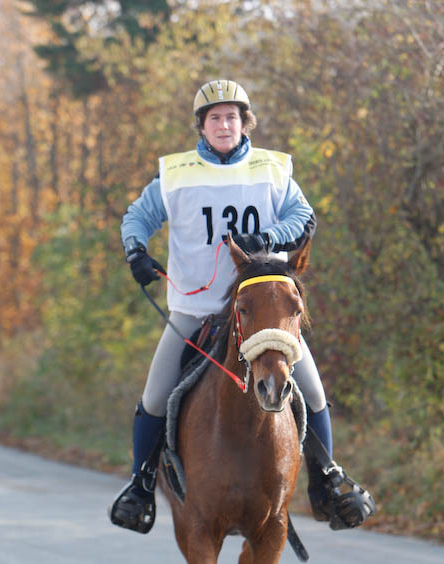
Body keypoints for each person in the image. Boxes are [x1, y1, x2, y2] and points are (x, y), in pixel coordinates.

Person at [109, 79, 374, 534]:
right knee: (155, 396)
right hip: (195, 307)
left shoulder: (272, 168)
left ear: (244, 122)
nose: (224, 124)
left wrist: (270, 239)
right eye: (215, 118)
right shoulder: (176, 172)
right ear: (202, 126)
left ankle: (327, 479)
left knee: (311, 391)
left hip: (262, 311)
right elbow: (138, 216)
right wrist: (135, 249)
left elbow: (304, 217)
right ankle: (141, 485)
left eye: (232, 117)